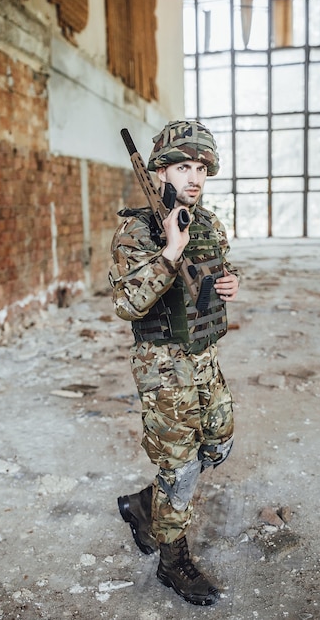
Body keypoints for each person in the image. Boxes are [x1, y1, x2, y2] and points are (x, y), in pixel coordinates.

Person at [109, 120, 239, 606]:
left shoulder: (207, 223)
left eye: (202, 168)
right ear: (160, 170)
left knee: (218, 445)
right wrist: (170, 251)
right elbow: (128, 304)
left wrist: (231, 282)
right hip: (163, 366)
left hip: (204, 358)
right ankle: (172, 560)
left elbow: (219, 270)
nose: (195, 177)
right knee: (181, 469)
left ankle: (146, 504)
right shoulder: (137, 230)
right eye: (183, 166)